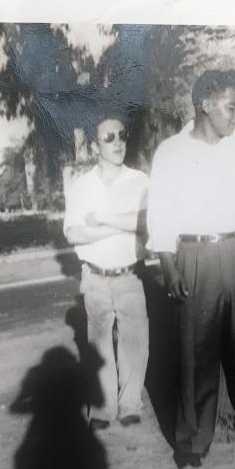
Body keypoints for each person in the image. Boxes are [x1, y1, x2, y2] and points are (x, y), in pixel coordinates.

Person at [147, 68, 235, 469]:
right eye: (231, 106)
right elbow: (161, 211)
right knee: (196, 354)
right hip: (195, 256)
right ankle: (192, 441)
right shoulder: (171, 151)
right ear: (206, 104)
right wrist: (169, 265)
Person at [63, 112, 150, 431]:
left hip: (131, 275)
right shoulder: (82, 185)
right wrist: (121, 225)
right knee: (99, 344)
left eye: (122, 135)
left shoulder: (140, 181)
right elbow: (74, 233)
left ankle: (130, 404)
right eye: (108, 138)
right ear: (95, 146)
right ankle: (103, 407)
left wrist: (103, 218)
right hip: (96, 277)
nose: (118, 143)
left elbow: (147, 223)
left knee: (134, 341)